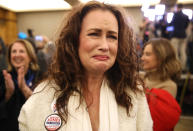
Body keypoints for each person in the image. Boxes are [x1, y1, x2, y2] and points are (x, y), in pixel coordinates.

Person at [18, 1, 153, 131]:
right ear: (74, 40)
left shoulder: (133, 93)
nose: (105, 46)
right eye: (94, 34)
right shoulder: (45, 95)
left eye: (112, 36)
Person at [141, 38, 182, 131]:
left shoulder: (169, 86)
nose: (142, 58)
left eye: (147, 54)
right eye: (143, 53)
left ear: (161, 57)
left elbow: (154, 120)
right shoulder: (141, 77)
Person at [0, 39, 39, 131]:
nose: (17, 55)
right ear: (9, 57)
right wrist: (8, 93)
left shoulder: (40, 77)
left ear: (30, 56)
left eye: (21, 51)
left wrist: (24, 88)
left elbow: (44, 107)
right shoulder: (3, 77)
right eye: (14, 51)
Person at [170, 3, 190, 71]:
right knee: (183, 52)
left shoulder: (175, 15)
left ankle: (177, 67)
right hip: (183, 35)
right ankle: (183, 67)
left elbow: (171, 23)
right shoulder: (186, 16)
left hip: (175, 35)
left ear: (177, 7)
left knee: (175, 52)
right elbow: (186, 26)